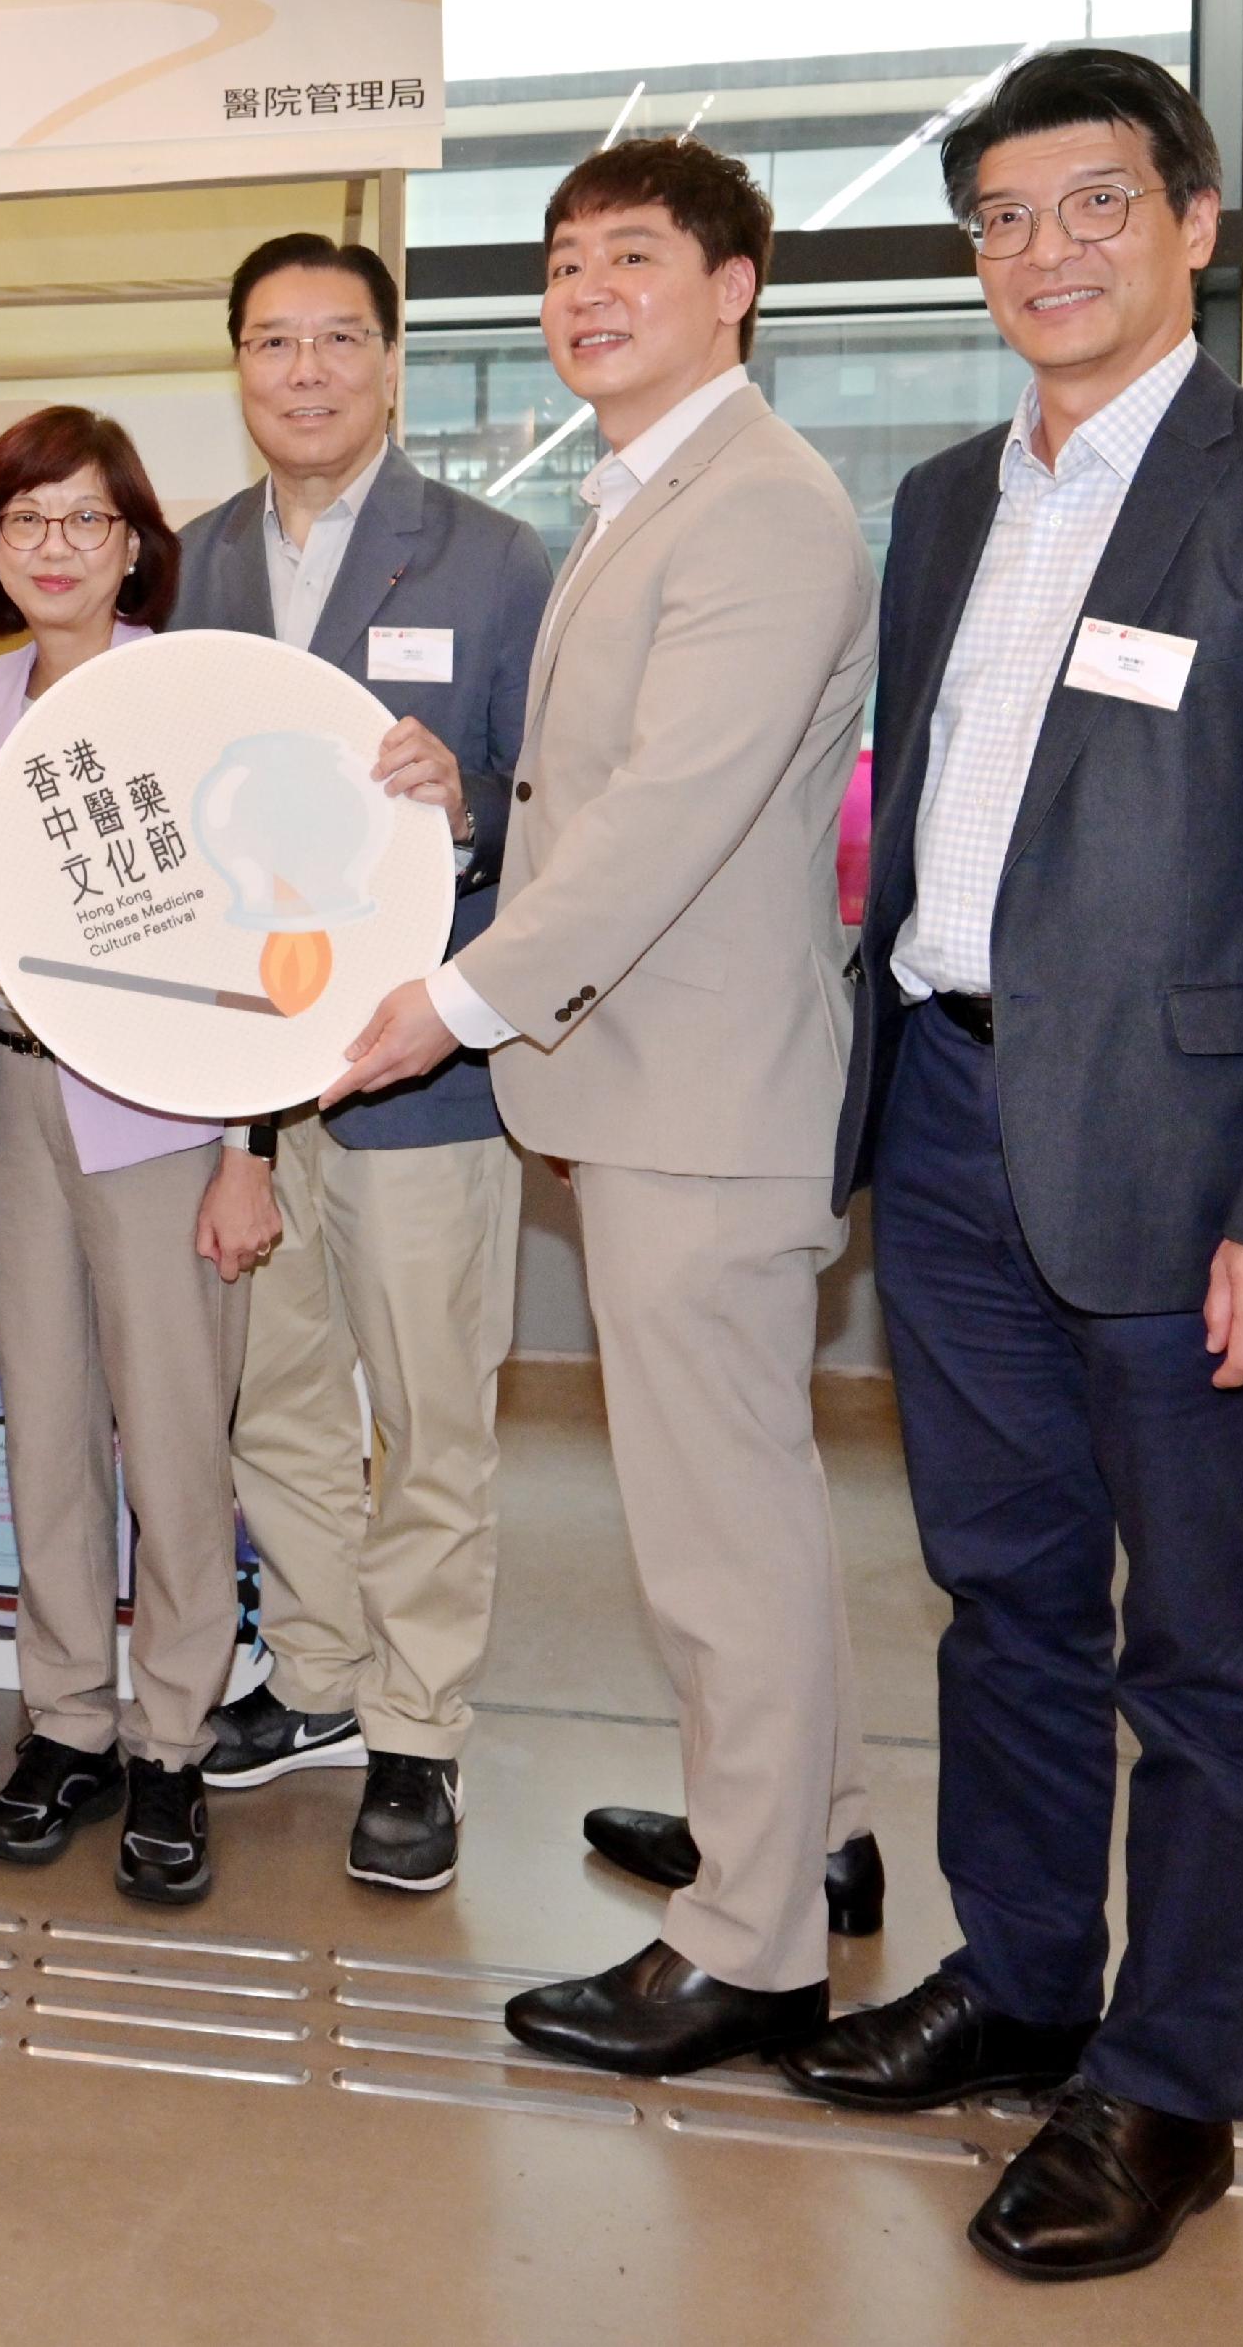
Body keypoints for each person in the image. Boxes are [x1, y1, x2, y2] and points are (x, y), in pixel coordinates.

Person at [794, 50, 1243, 2280]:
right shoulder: (946, 506)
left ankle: (1166, 2081)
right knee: (996, 1597)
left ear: (1192, 223)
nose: (1039, 251)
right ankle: (1017, 1978)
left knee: (1198, 1658)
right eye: (996, 215)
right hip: (954, 1119)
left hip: (1188, 1172)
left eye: (1088, 205)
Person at [325, 136, 879, 2073]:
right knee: (740, 1502)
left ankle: (751, 1940)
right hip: (657, 1073)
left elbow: (665, 816)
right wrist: (466, 814)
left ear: (733, 284)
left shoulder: (755, 506)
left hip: (698, 1090)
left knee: (712, 1524)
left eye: (628, 260)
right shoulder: (650, 486)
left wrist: (452, 999)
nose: (583, 295)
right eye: (562, 265)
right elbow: (603, 788)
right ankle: (793, 1827)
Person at [164, 232, 556, 1894]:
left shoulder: (496, 562)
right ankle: (316, 1675)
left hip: (427, 1069)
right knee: (278, 1401)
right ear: (238, 367)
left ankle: (419, 1728)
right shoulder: (190, 565)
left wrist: (462, 804)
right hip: (254, 1073)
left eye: (337, 339)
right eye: (272, 342)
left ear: (390, 362)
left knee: (431, 1412)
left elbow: (562, 815)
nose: (305, 371)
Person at [0, 406, 280, 1907]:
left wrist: (246, 1147)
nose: (56, 549)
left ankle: (173, 1741)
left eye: (85, 520)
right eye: (26, 523)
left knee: (175, 1439)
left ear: (136, 542)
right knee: (47, 1427)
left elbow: (267, 937)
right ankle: (66, 1719)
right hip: (14, 1101)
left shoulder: (188, 696)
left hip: (164, 1116)